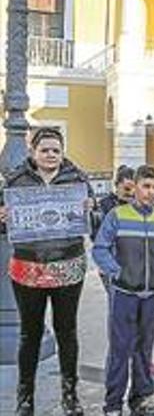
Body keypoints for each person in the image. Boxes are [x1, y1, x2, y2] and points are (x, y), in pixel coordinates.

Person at [0, 127, 93, 416]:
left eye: (56, 150)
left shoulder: (78, 179)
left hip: (68, 264)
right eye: (45, 150)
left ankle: (70, 395)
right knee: (30, 333)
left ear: (62, 152)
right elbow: (8, 229)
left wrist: (91, 209)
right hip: (28, 267)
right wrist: (3, 219)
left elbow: (92, 222)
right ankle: (25, 398)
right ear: (33, 152)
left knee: (67, 331)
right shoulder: (15, 181)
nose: (51, 155)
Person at [91, 165, 154, 416]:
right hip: (123, 293)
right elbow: (100, 248)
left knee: (144, 347)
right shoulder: (117, 215)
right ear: (134, 186)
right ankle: (113, 403)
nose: (150, 192)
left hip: (151, 294)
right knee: (120, 348)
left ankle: (141, 398)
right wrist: (116, 272)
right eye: (146, 186)